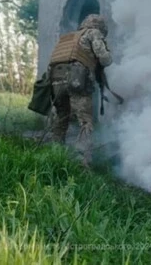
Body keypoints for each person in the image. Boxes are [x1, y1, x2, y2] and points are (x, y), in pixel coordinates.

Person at [48, 14, 112, 167]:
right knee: (85, 121)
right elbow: (105, 59)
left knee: (62, 117)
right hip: (76, 80)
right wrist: (108, 53)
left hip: (55, 81)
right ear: (100, 27)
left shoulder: (68, 37)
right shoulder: (93, 33)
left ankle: (55, 154)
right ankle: (81, 160)